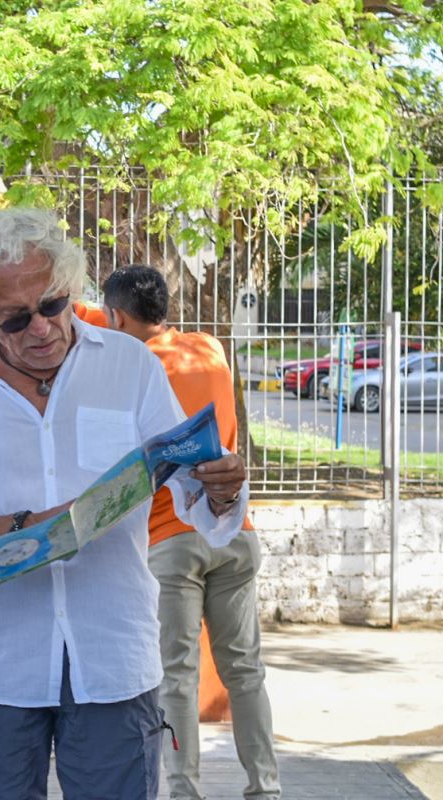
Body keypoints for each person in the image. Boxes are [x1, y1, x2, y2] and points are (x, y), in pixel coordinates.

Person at [0, 208, 250, 800]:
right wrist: (19, 528)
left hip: (111, 652)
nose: (40, 327)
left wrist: (221, 487)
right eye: (15, 318)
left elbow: (190, 488)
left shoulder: (129, 366)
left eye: (53, 305)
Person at [103, 265, 281, 800]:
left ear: (116, 317)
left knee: (176, 675)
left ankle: (183, 791)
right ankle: (266, 788)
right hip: (234, 530)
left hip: (170, 540)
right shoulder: (208, 348)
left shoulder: (130, 370)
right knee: (245, 670)